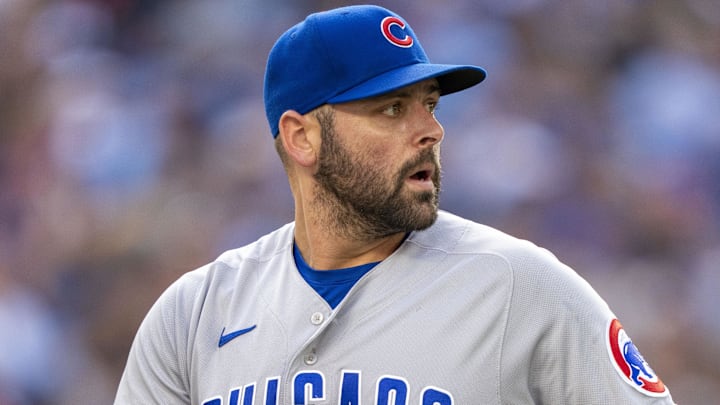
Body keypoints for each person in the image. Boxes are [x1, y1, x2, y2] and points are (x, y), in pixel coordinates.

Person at [115, 5, 675, 404]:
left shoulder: (519, 284)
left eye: (429, 104)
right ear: (301, 137)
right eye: (391, 109)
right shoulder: (193, 314)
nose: (431, 130)